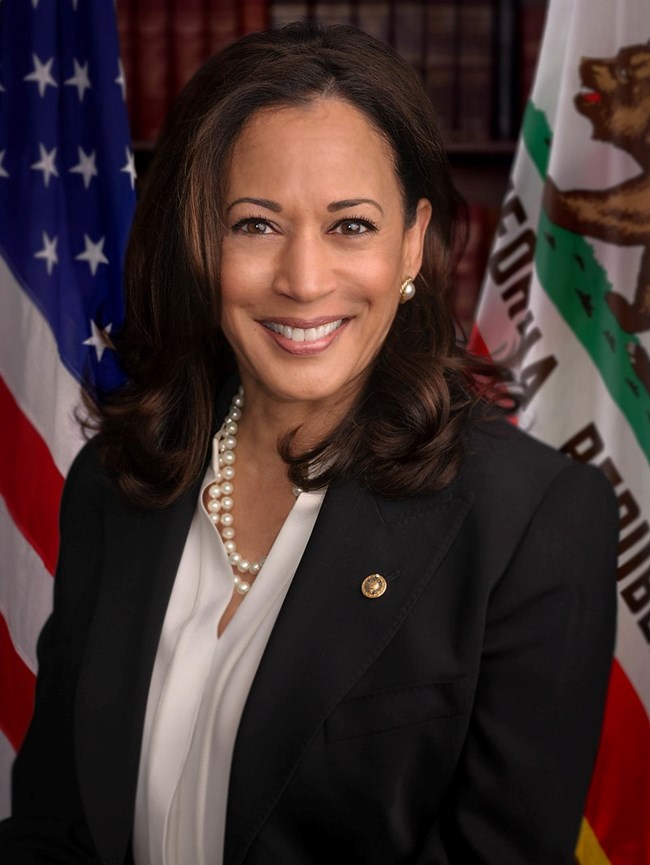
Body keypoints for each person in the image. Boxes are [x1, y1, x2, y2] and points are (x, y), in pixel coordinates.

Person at [0, 22, 617, 865]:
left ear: (411, 242)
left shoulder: (533, 523)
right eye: (255, 225)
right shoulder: (113, 484)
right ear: (198, 238)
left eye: (351, 226)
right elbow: (52, 825)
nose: (303, 279)